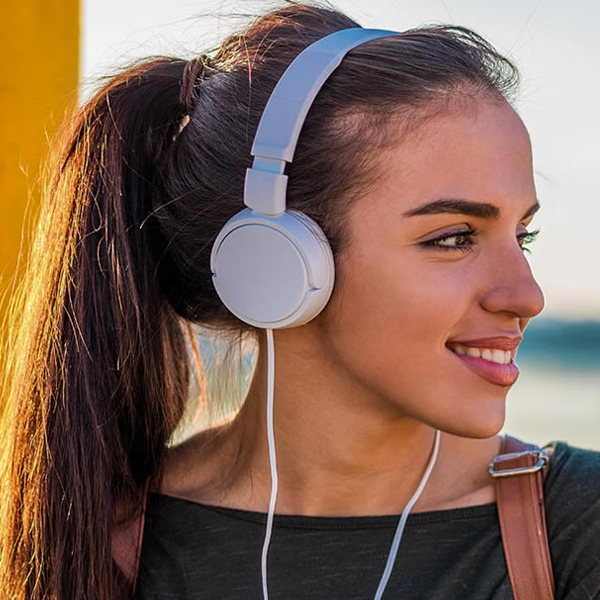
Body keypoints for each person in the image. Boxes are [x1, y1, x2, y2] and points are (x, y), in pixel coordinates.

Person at [1, 2, 599, 599]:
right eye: (453, 238)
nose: (527, 295)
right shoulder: (90, 542)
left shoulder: (577, 528)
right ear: (276, 259)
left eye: (524, 236)